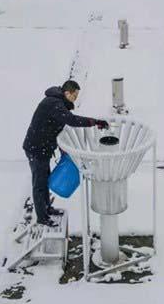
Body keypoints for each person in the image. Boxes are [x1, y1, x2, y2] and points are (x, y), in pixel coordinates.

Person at [23, 80, 109, 227]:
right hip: (36, 149)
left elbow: (51, 126)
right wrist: (95, 122)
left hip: (42, 148)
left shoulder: (56, 102)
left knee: (44, 179)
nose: (75, 99)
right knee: (39, 183)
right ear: (67, 93)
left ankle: (47, 209)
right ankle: (42, 217)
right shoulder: (54, 104)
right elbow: (72, 120)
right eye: (74, 96)